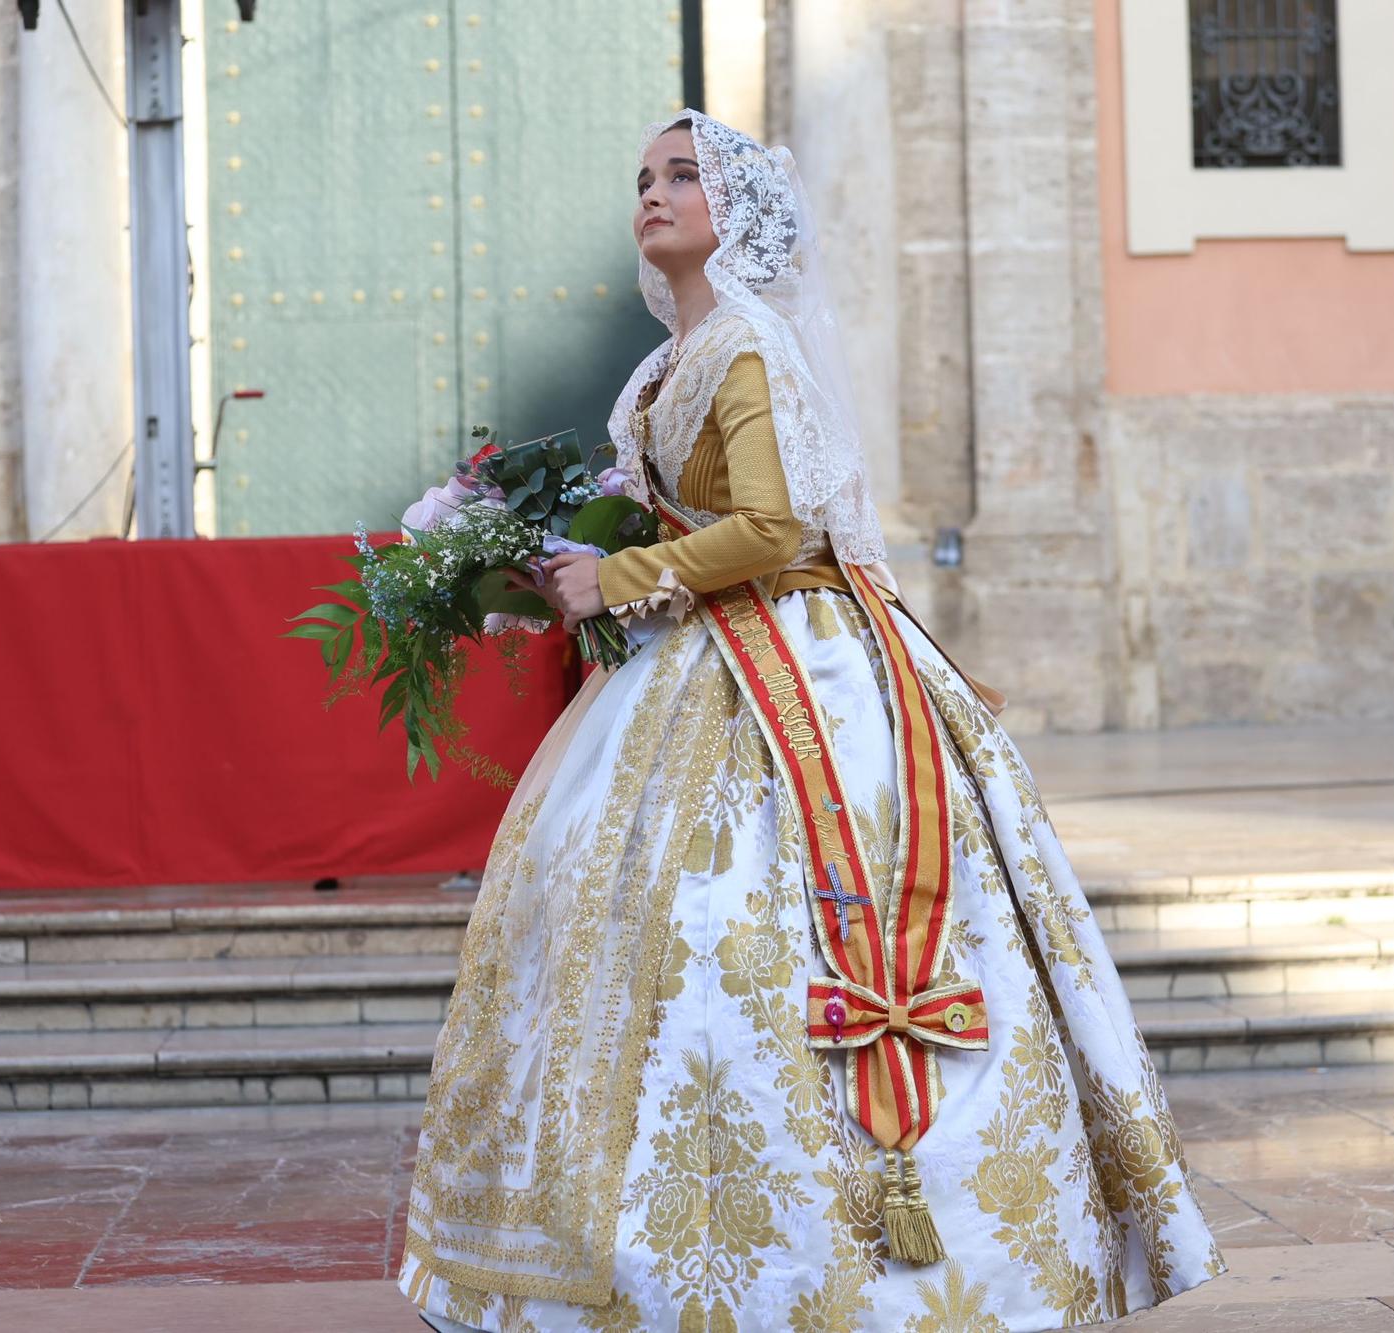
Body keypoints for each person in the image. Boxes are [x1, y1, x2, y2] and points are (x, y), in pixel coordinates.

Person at [396, 110, 1224, 1333]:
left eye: (683, 175)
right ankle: (656, 1247)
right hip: (699, 661)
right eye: (641, 178)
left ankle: (879, 1251)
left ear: (740, 209)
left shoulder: (746, 344)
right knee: (639, 927)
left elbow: (776, 533)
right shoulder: (662, 367)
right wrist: (567, 567)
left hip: (802, 667)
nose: (653, 193)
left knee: (759, 927)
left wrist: (617, 579)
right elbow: (687, 530)